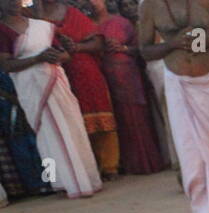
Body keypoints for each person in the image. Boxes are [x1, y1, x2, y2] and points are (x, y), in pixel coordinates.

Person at [138, 0, 209, 213]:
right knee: (191, 151)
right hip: (178, 82)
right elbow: (145, 51)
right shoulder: (149, 6)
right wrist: (173, 44)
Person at [0, 0, 102, 198]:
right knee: (47, 137)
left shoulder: (41, 25)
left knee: (73, 130)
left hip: (55, 82)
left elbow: (65, 55)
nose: (12, 3)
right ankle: (61, 182)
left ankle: (86, 178)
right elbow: (6, 65)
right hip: (32, 87)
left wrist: (55, 56)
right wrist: (37, 59)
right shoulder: (2, 31)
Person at [34, 0, 120, 177]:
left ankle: (109, 166)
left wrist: (76, 48)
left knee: (100, 115)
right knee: (68, 123)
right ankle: (85, 169)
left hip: (86, 70)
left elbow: (98, 43)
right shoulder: (30, 17)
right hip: (52, 75)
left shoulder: (71, 13)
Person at [91, 0, 164, 174]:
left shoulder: (121, 22)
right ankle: (126, 164)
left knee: (137, 117)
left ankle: (148, 162)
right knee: (119, 120)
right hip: (104, 76)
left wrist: (122, 48)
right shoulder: (89, 26)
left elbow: (140, 49)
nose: (93, 3)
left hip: (128, 74)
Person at [0, 59, 48, 197]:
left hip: (28, 104)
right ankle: (35, 185)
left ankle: (49, 182)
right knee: (22, 150)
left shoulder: (18, 59)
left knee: (40, 147)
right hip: (8, 111)